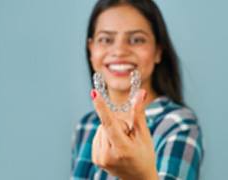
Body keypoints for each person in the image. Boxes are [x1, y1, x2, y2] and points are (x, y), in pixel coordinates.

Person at [71, 0, 203, 179]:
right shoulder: (86, 126)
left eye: (136, 40)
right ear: (91, 50)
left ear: (158, 50)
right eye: (106, 40)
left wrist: (140, 175)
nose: (119, 51)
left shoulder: (177, 124)